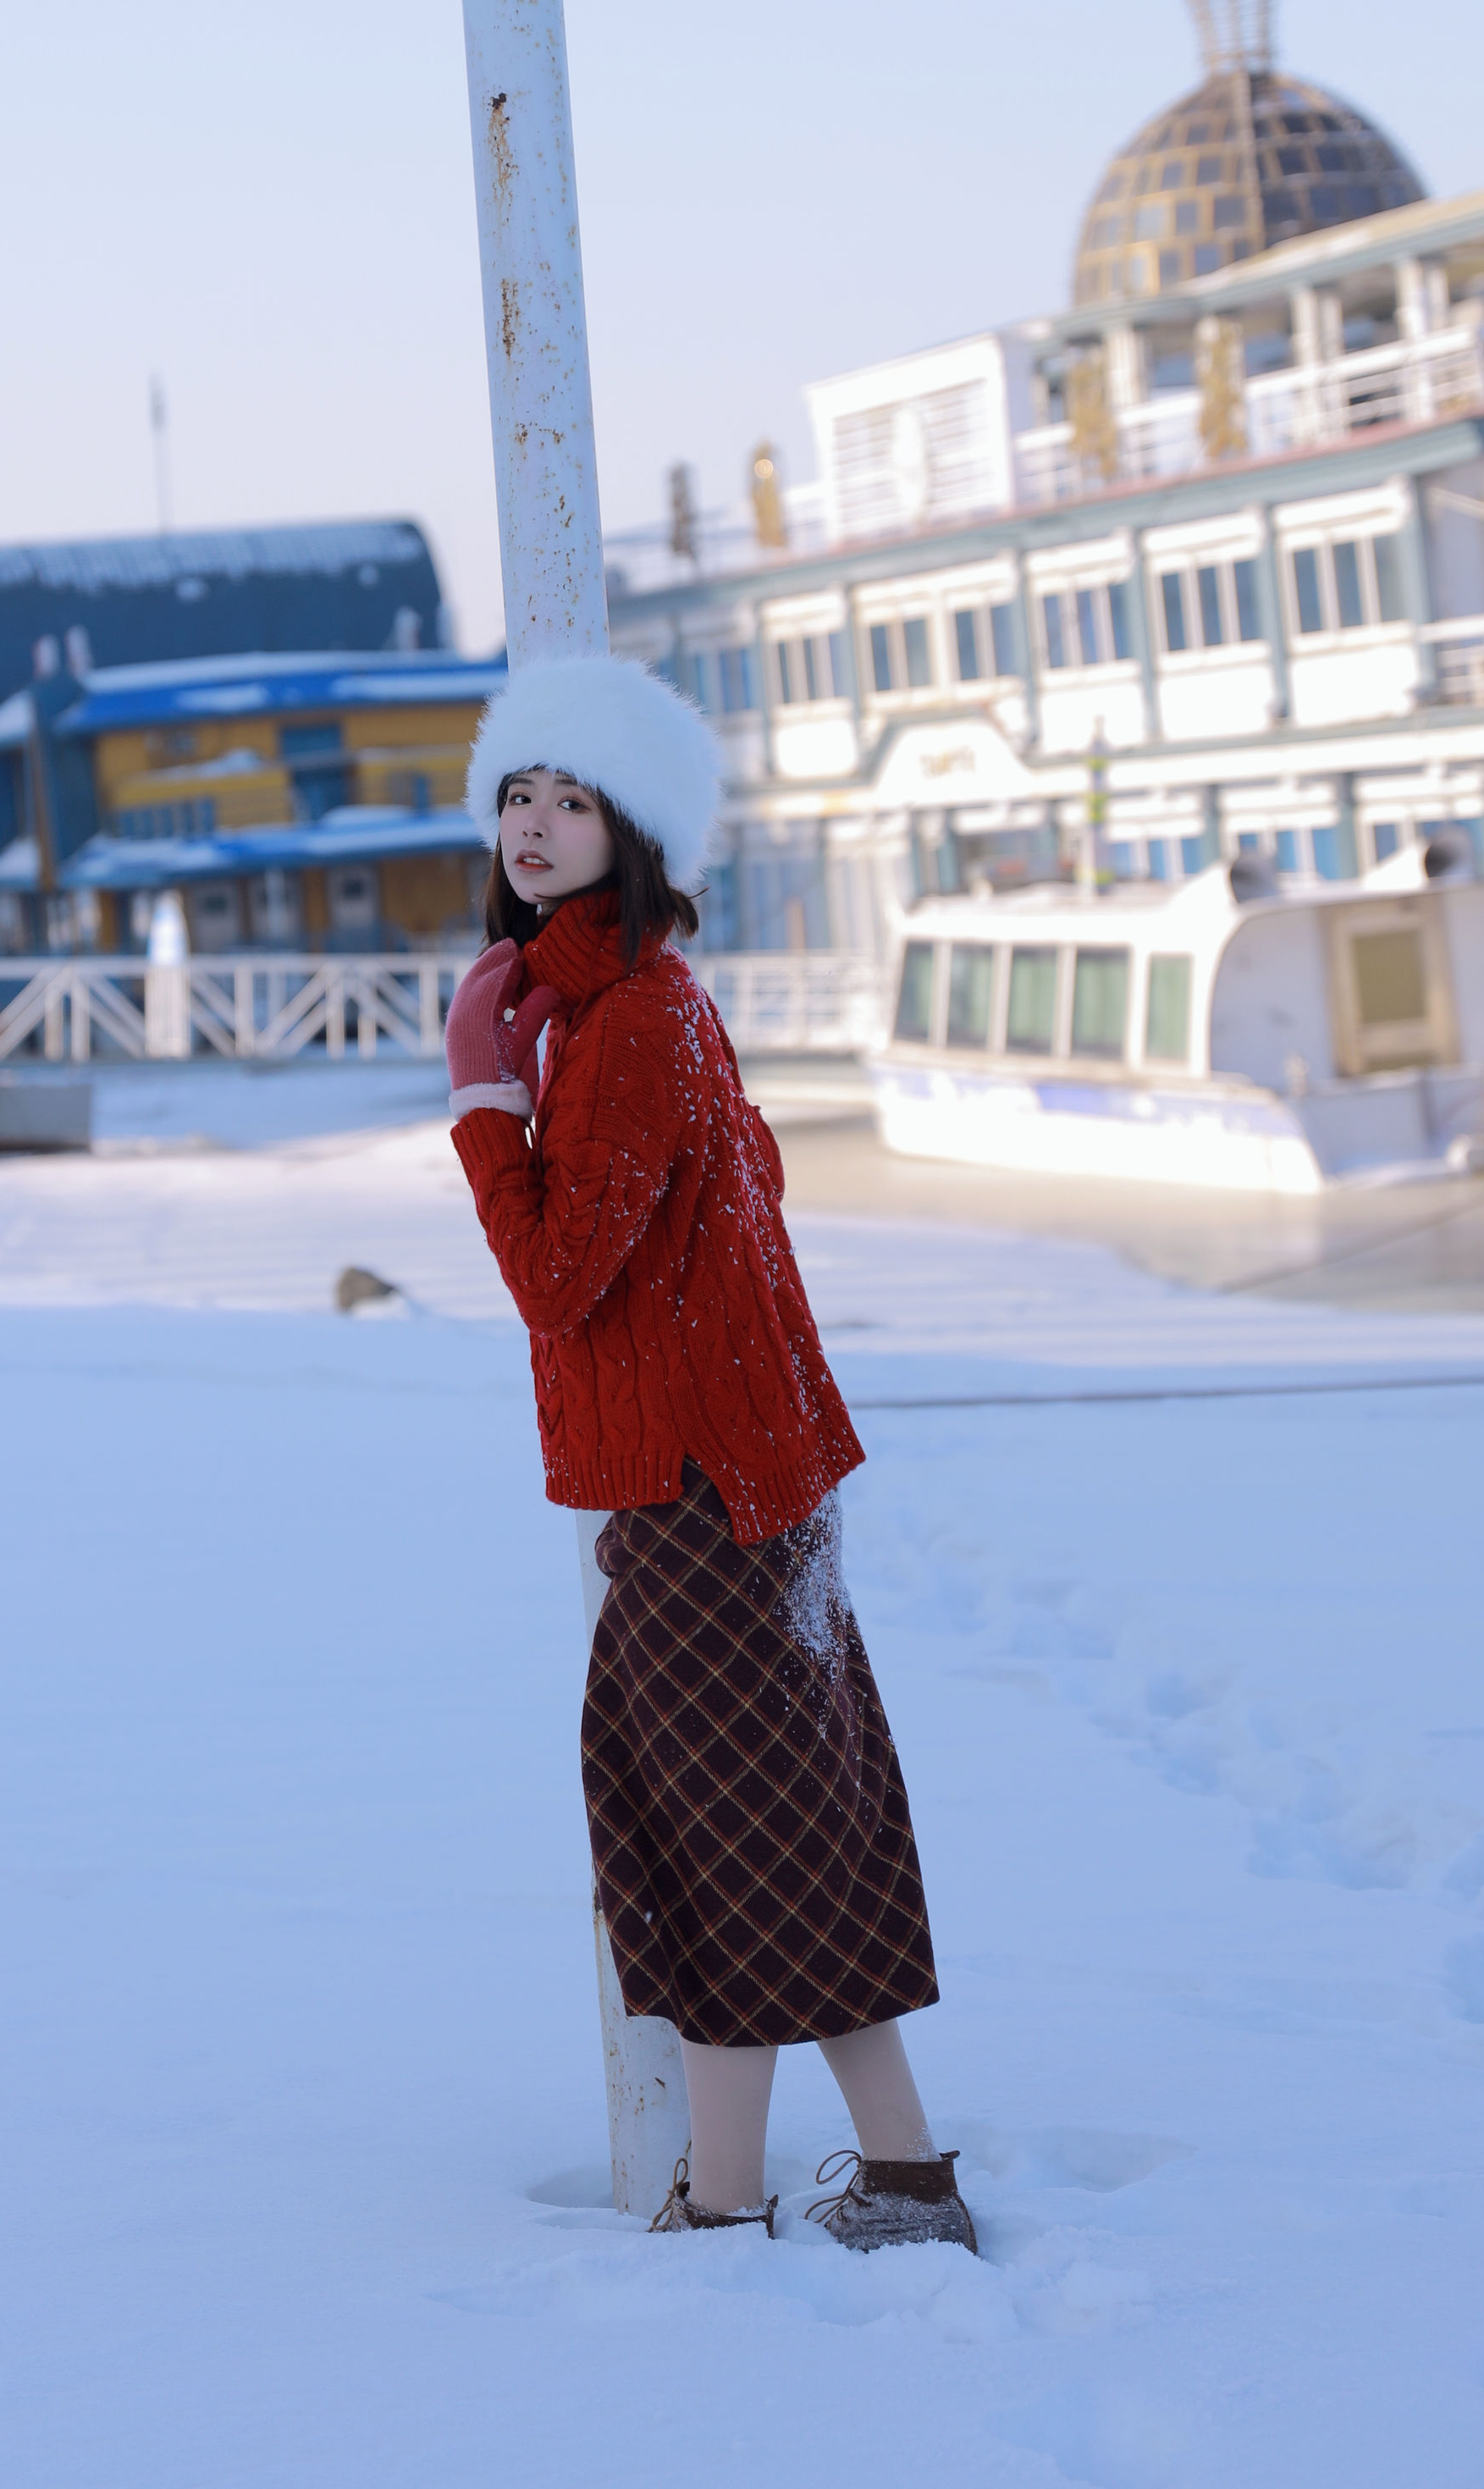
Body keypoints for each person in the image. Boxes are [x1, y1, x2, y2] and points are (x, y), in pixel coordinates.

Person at [444, 655, 975, 2254]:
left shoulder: (629, 1022)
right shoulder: (647, 1004)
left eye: (571, 798)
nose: (533, 823)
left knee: (726, 1837)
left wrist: (481, 1095)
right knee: (739, 1829)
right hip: (728, 1484)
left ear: (637, 827)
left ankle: (821, 2188)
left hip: (708, 1497)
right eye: (516, 795)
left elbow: (555, 1276)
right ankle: (830, 2182)